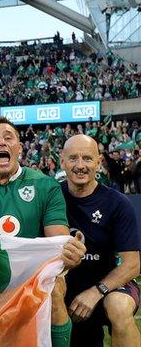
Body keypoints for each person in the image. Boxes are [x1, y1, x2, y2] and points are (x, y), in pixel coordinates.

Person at [0, 116, 86, 347]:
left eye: (8, 138)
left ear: (19, 148)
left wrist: (70, 252)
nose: (1, 143)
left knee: (55, 287)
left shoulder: (46, 186)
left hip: (34, 277)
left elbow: (58, 245)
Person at [60, 134, 141, 347]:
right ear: (62, 161)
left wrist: (96, 291)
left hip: (108, 285)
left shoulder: (118, 203)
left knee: (119, 305)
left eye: (87, 158)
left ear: (98, 162)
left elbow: (132, 264)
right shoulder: (51, 198)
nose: (80, 166)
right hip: (65, 285)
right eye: (73, 158)